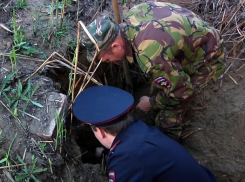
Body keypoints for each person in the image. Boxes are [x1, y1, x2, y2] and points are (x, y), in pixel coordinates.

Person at [81, 1, 226, 139]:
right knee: (160, 86)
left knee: (169, 114)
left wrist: (152, 102)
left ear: (116, 46)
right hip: (200, 36)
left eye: (106, 59)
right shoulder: (134, 14)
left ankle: (169, 144)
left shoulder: (150, 57)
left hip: (209, 56)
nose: (108, 62)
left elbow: (182, 92)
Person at [73, 85, 217, 182]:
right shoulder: (142, 131)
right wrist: (105, 153)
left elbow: (131, 161)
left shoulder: (127, 160)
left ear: (101, 131)